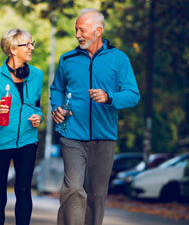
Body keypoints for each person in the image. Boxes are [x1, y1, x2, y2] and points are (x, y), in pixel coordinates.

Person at [50, 8, 140, 225]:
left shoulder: (118, 59)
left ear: (98, 31)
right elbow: (57, 88)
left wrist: (109, 97)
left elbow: (133, 95)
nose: (77, 35)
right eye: (76, 30)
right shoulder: (67, 59)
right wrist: (58, 107)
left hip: (104, 136)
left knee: (97, 195)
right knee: (73, 188)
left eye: (82, 30)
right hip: (72, 133)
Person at [0, 28, 43, 225]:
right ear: (13, 49)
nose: (31, 48)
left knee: (23, 190)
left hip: (28, 141)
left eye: (32, 43)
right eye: (27, 44)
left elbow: (36, 107)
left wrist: (38, 117)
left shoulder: (37, 75)